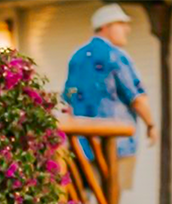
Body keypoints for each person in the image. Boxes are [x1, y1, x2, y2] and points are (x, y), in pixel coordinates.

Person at [63, 2, 157, 191]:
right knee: (112, 195)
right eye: (121, 24)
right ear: (106, 26)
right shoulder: (115, 56)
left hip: (83, 142)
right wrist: (151, 125)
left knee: (90, 194)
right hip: (116, 142)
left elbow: (68, 99)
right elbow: (136, 97)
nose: (127, 30)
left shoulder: (77, 56)